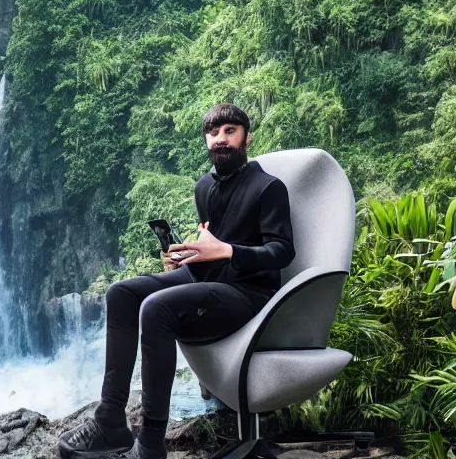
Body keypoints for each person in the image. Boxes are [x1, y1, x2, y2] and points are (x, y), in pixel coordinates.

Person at [57, 103, 295, 459]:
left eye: (230, 131)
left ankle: (151, 444)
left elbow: (282, 252)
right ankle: (110, 421)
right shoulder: (204, 188)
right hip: (207, 281)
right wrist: (187, 256)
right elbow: (208, 255)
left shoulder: (268, 187)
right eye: (213, 133)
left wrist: (227, 251)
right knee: (120, 293)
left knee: (156, 308)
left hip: (248, 293)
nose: (220, 140)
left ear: (247, 137)